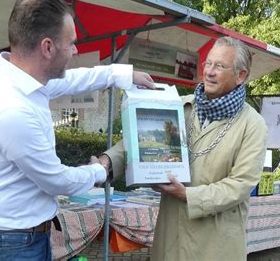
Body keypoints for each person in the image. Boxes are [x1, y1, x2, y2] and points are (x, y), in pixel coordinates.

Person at [0, 0, 154, 260]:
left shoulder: (17, 77)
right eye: (72, 43)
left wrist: (122, 74)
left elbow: (75, 80)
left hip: (14, 238)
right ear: (47, 47)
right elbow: (57, 181)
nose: (76, 50)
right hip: (10, 244)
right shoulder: (11, 110)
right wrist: (100, 169)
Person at [101, 37, 268, 260]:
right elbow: (138, 140)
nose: (209, 72)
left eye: (219, 66)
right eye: (208, 63)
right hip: (172, 238)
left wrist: (188, 195)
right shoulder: (180, 105)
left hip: (216, 245)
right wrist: (107, 163)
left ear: (241, 75)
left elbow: (240, 185)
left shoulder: (253, 124)